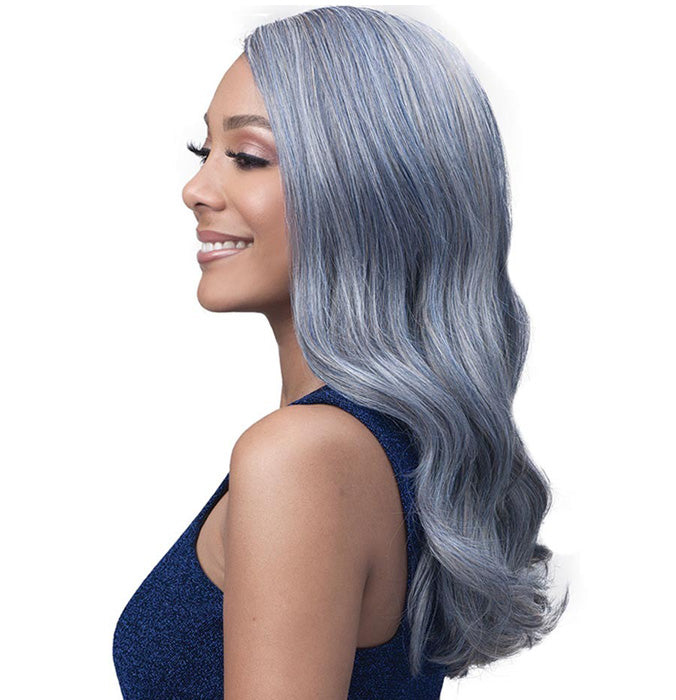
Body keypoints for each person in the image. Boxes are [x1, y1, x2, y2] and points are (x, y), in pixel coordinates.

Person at [113, 6, 569, 698]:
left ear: (367, 191)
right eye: (203, 151)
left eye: (248, 157)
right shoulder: (390, 445)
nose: (196, 189)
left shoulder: (303, 456)